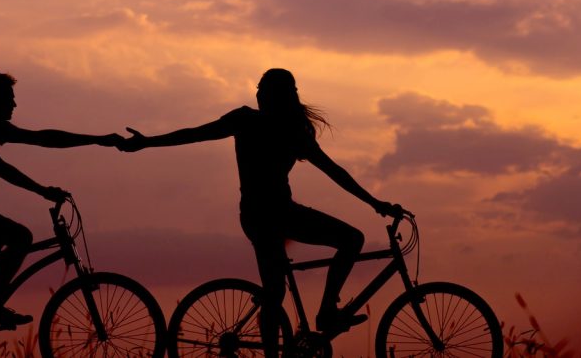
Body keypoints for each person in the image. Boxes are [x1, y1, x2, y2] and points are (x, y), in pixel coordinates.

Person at [120, 68, 402, 357]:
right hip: (270, 215)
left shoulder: (277, 128)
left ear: (275, 96)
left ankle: (318, 318)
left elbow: (335, 172)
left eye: (263, 89)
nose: (257, 94)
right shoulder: (262, 124)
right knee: (339, 247)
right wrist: (148, 142)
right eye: (259, 88)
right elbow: (194, 134)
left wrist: (375, 203)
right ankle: (326, 312)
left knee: (283, 286)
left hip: (268, 215)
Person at [0, 70, 122, 332]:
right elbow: (42, 139)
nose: (14, 105)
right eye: (8, 99)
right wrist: (98, 140)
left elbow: (1, 167)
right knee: (19, 238)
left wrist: (42, 190)